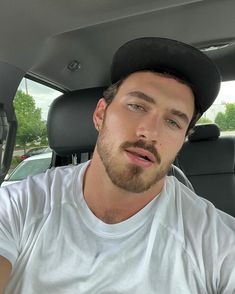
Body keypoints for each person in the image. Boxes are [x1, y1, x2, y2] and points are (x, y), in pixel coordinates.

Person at [0, 37, 235, 293]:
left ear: (182, 141)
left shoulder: (215, 239)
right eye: (136, 106)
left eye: (173, 122)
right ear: (101, 114)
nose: (150, 132)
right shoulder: (19, 206)